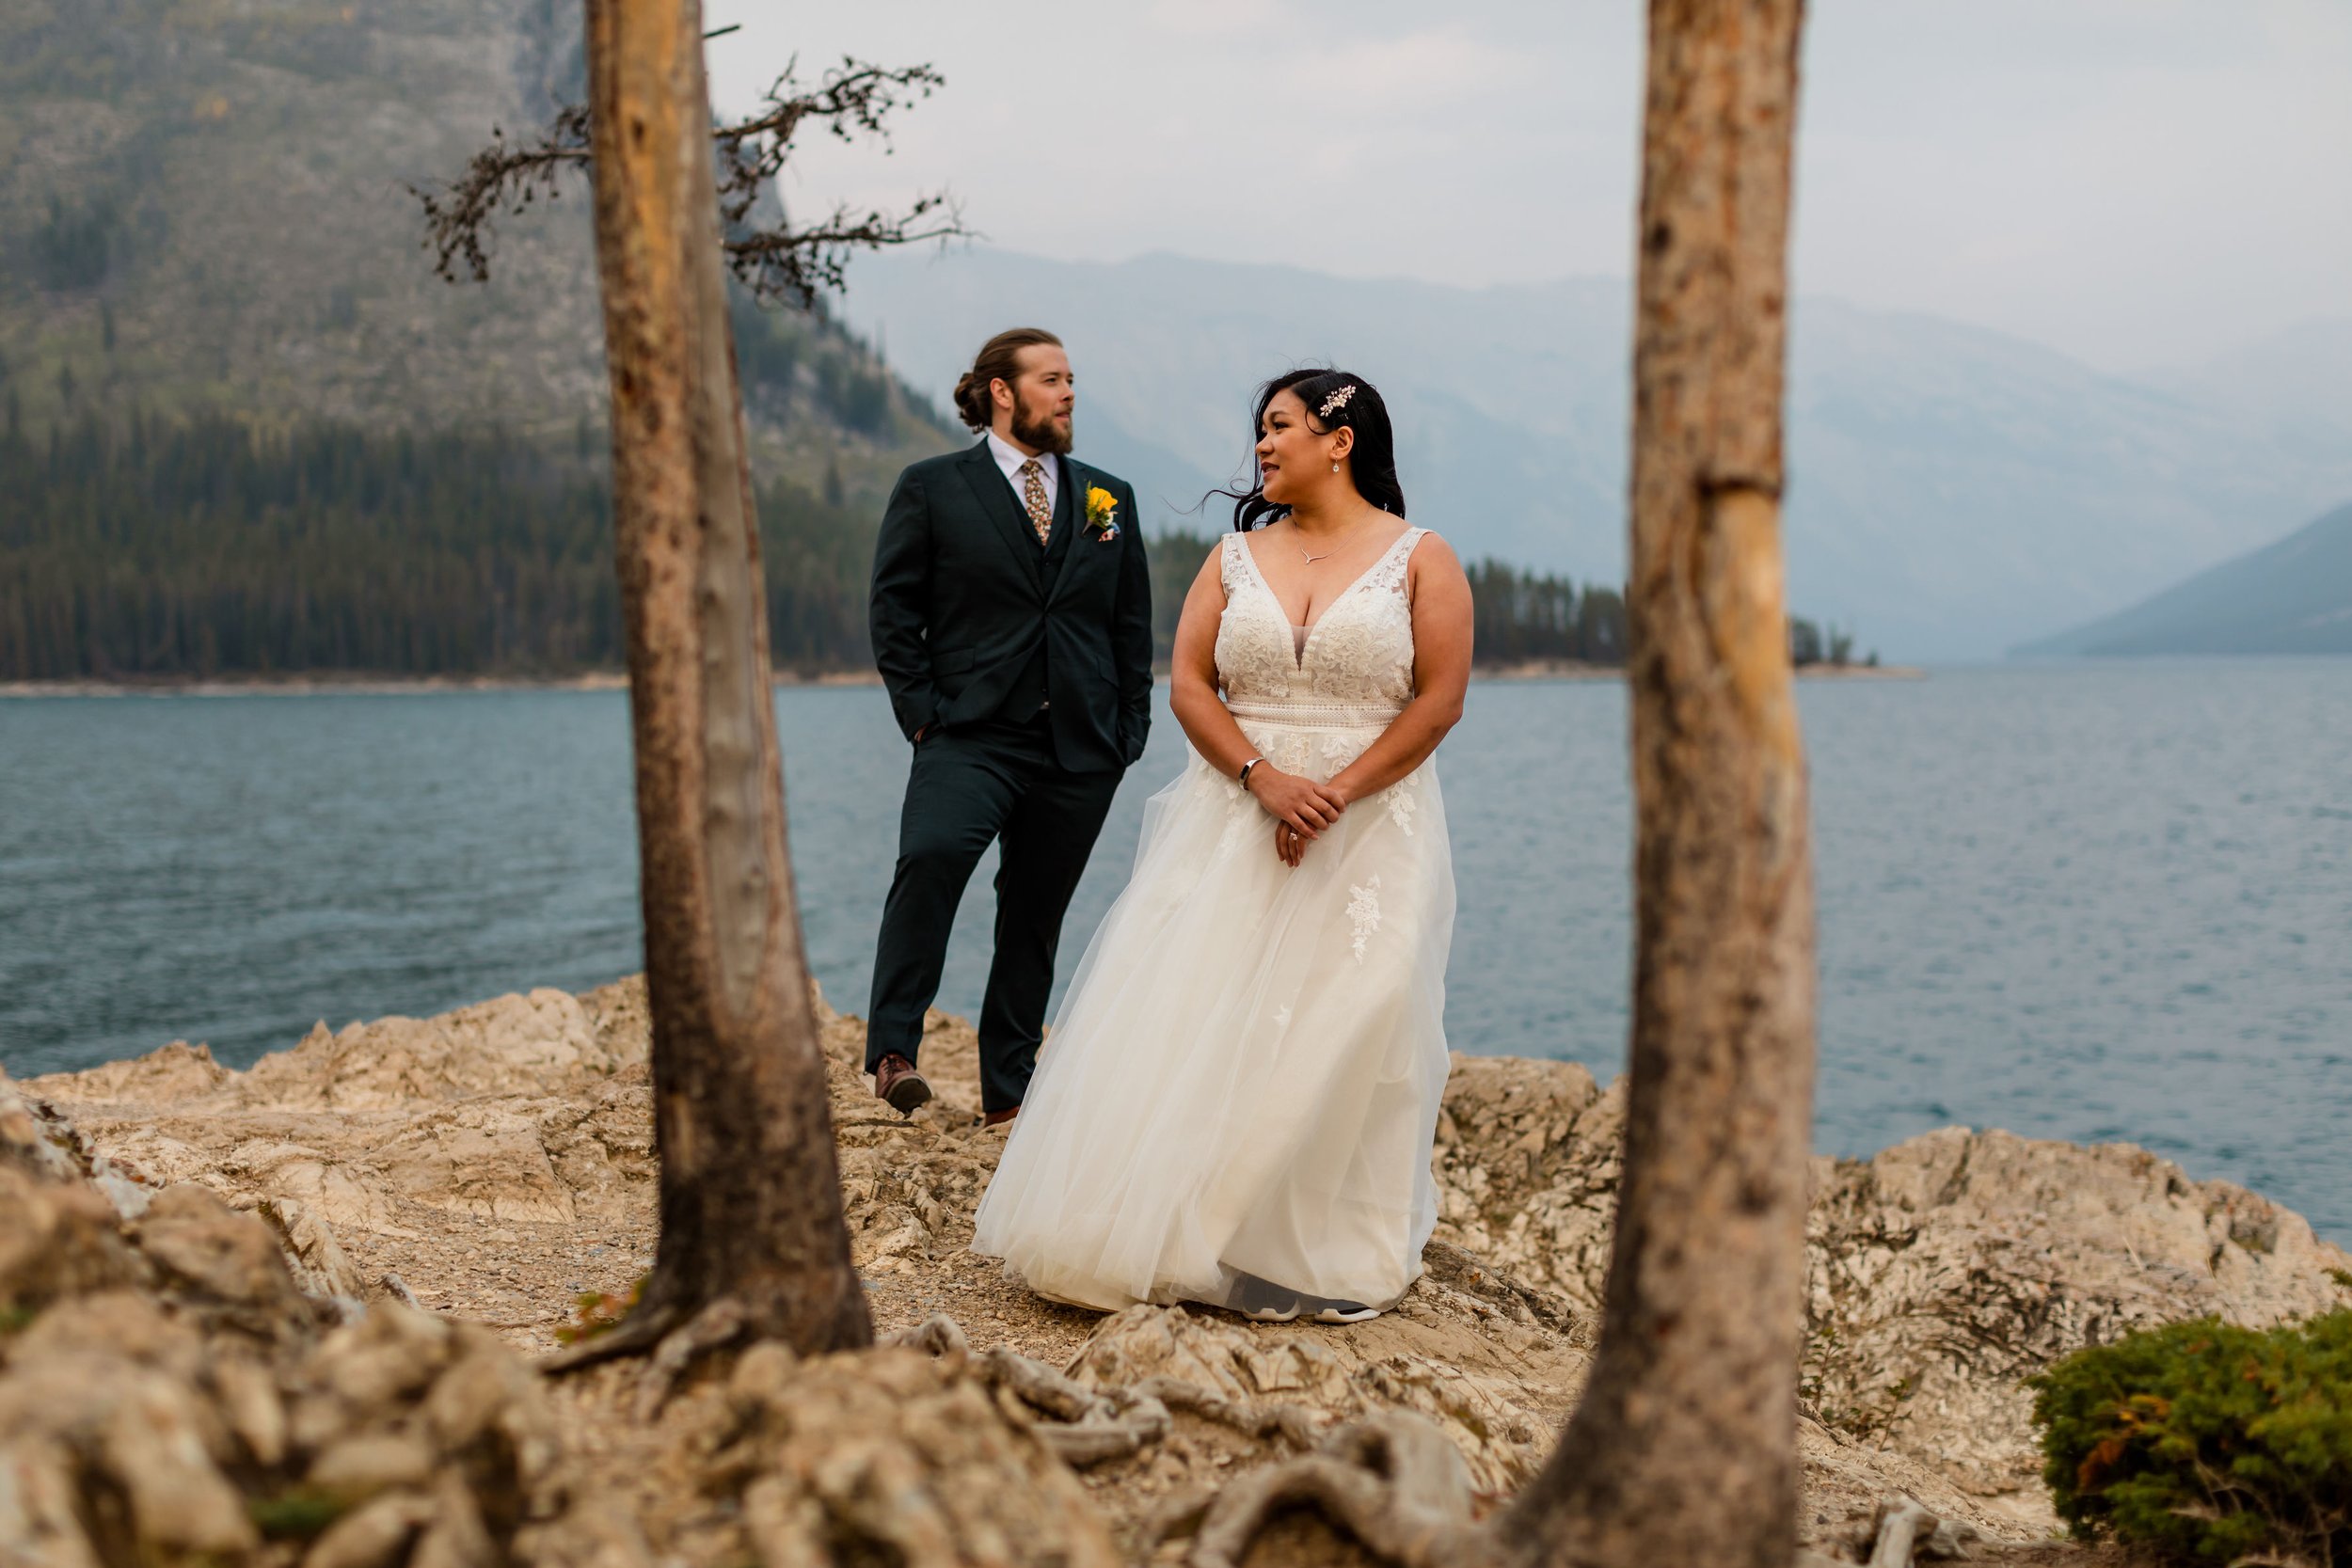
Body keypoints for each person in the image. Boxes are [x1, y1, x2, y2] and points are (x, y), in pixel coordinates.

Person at [971, 369, 1472, 1323]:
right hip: (1236, 811)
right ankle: (1174, 1230)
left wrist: (1333, 792)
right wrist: (1263, 780)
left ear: (1341, 438)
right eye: (1260, 431)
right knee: (1199, 1008)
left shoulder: (1421, 556)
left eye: (1279, 427)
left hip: (1369, 824)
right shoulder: (1234, 555)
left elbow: (1439, 698)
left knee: (1348, 1016)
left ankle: (1293, 1240)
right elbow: (1190, 685)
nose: (1261, 447)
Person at [864, 328, 1154, 1129]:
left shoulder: (1108, 497)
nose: (1067, 393)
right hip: (968, 733)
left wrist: (1128, 728)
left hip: (1081, 747)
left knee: (1034, 914)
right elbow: (893, 612)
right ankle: (892, 1053)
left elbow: (1131, 623)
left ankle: (1009, 1092)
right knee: (930, 858)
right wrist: (921, 716)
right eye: (1052, 378)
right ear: (1002, 390)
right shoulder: (931, 487)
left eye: (1071, 379)